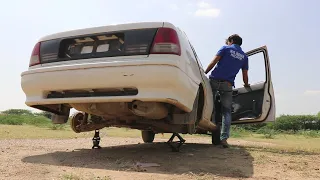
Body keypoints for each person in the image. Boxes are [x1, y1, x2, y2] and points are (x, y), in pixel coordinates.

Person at [204, 34, 249, 148]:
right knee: (226, 112)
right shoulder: (244, 57)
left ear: (231, 41)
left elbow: (214, 62)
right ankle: (224, 138)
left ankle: (209, 126)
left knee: (210, 106)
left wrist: (204, 73)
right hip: (228, 85)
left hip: (214, 81)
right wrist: (246, 84)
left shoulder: (225, 49)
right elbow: (245, 75)